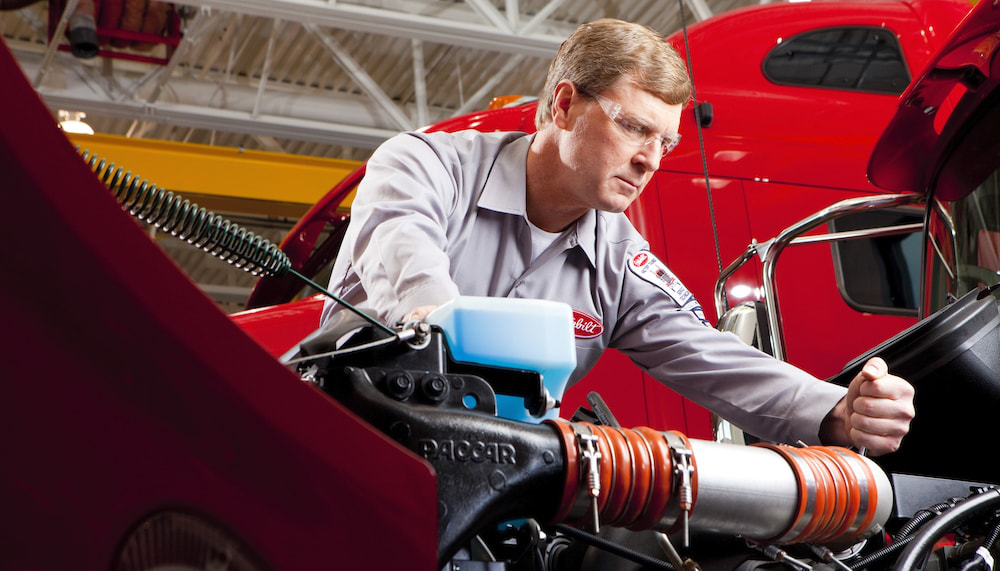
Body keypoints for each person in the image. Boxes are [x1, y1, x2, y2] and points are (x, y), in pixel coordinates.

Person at [321, 18, 914, 455]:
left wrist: (838, 409)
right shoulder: (424, 166)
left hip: (493, 478)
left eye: (666, 143)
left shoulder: (619, 259)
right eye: (633, 127)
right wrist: (441, 321)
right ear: (563, 104)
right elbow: (414, 275)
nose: (650, 160)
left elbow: (713, 357)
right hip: (349, 446)